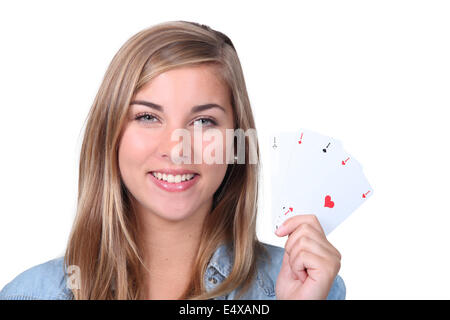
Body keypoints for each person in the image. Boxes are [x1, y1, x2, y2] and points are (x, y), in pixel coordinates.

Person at [0, 20, 345, 300]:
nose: (177, 148)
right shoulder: (30, 295)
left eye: (203, 121)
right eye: (148, 117)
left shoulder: (304, 286)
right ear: (111, 135)